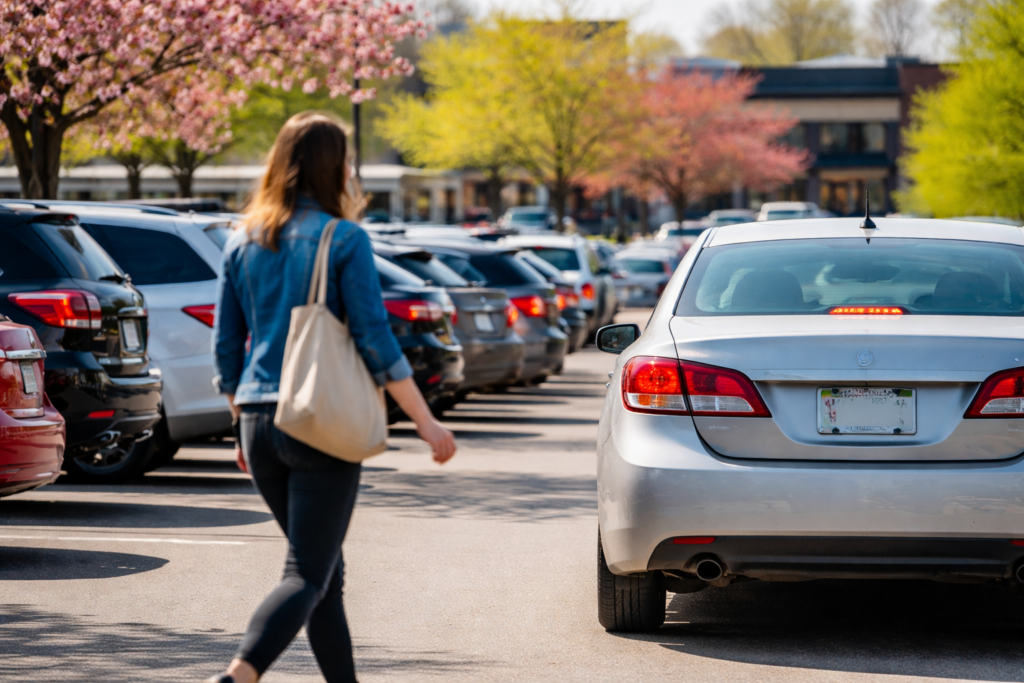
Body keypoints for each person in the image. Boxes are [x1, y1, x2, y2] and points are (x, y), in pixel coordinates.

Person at [207, 111, 456, 683]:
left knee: (325, 573)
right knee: (306, 573)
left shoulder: (241, 239)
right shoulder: (343, 238)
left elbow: (225, 347)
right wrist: (425, 421)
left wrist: (241, 424)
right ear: (335, 167)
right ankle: (238, 676)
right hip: (316, 418)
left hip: (256, 419)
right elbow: (374, 337)